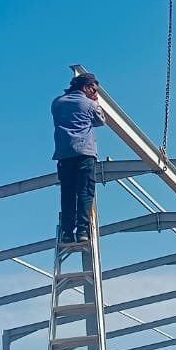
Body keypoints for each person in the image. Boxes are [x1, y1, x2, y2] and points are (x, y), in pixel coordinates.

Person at [51, 72, 105, 245]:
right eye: (94, 90)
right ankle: (82, 230)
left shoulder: (57, 103)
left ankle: (67, 232)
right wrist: (95, 102)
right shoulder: (89, 104)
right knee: (85, 191)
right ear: (86, 88)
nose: (95, 93)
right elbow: (100, 121)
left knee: (67, 193)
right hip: (84, 153)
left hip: (64, 154)